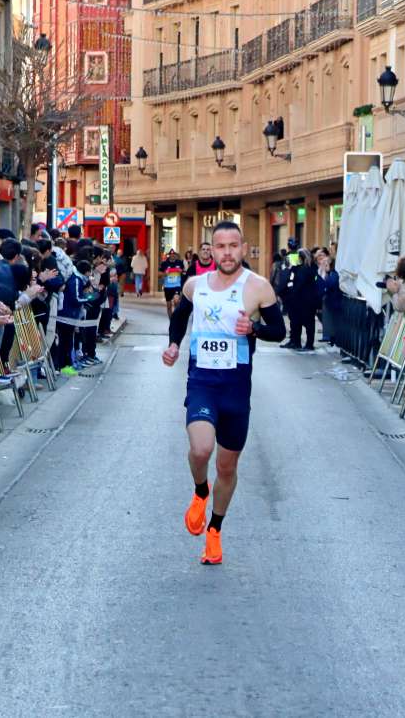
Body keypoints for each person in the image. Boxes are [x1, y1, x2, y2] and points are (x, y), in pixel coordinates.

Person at [162, 221, 286, 565]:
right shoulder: (194, 285)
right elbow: (180, 318)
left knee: (227, 467)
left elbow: (279, 330)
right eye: (221, 246)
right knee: (201, 450)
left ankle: (214, 531)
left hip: (236, 387)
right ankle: (200, 490)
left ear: (243, 248)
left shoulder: (258, 288)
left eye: (234, 246)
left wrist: (255, 329)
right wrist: (173, 345)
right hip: (202, 381)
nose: (227, 252)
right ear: (211, 250)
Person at [283, 245, 321, 350]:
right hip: (300, 300)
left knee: (307, 323)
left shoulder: (305, 269)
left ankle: (307, 344)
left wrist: (292, 293)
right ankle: (297, 342)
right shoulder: (300, 268)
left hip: (305, 301)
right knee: (297, 322)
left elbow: (298, 284)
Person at [159, 250, 186, 317]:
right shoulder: (164, 264)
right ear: (169, 255)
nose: (172, 256)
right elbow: (159, 274)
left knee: (176, 301)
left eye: (174, 254)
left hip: (177, 285)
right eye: (171, 254)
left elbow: (184, 272)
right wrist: (165, 273)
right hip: (167, 286)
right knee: (169, 306)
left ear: (176, 255)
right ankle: (171, 321)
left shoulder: (179, 262)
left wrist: (181, 271)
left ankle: (176, 318)